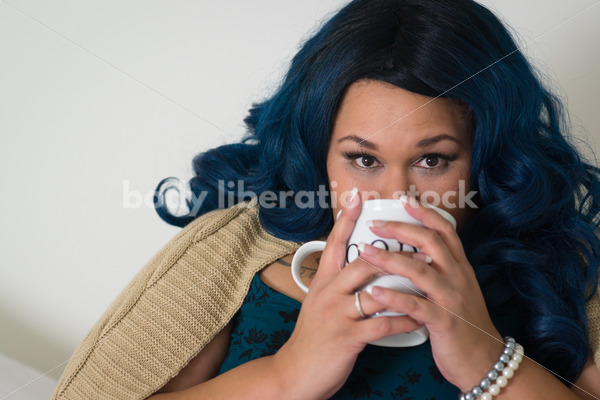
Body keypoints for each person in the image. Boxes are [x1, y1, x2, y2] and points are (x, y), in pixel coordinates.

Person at [52, 0, 600, 399]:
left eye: (433, 160)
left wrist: (489, 363)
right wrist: (287, 374)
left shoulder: (560, 269)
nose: (396, 196)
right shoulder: (233, 256)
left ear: (485, 157)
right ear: (319, 154)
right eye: (363, 159)